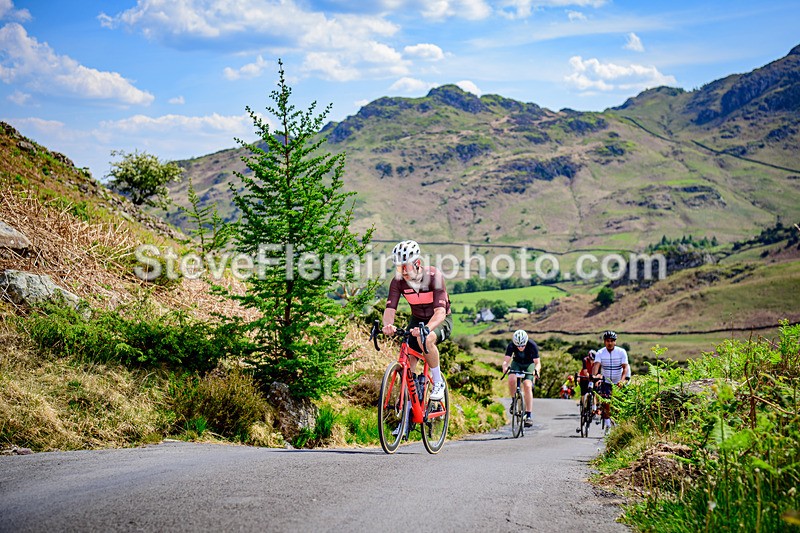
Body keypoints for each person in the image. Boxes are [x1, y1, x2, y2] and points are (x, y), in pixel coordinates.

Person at [382, 240, 452, 407]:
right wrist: (388, 325)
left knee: (425, 339)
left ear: (417, 263)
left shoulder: (434, 276)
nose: (402, 271)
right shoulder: (397, 282)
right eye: (399, 267)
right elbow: (390, 308)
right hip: (417, 319)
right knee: (407, 359)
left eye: (405, 267)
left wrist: (426, 329)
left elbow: (440, 312)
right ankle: (406, 412)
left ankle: (438, 382)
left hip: (440, 319)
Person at [591, 330, 630, 430]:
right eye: (607, 341)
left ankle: (619, 423)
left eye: (612, 341)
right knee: (606, 402)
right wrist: (594, 376)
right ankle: (608, 424)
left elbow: (625, 367)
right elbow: (596, 365)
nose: (609, 343)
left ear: (615, 342)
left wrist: (622, 380)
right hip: (607, 380)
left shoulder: (621, 352)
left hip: (619, 379)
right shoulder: (600, 352)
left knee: (620, 402)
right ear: (604, 342)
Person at [502, 329, 541, 427]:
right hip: (517, 363)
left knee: (527, 386)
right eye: (518, 345)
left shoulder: (532, 345)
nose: (520, 347)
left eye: (522, 345)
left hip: (529, 364)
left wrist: (536, 370)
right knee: (511, 380)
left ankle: (528, 415)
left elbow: (537, 363)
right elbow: (506, 361)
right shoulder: (511, 345)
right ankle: (514, 401)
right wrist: (505, 367)